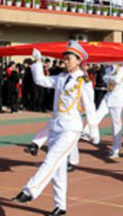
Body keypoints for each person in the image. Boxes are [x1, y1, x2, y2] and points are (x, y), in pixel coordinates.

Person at [12, 41, 98, 216]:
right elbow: (40, 80)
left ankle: (30, 190)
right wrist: (37, 62)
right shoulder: (60, 77)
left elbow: (90, 107)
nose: (65, 62)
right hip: (55, 126)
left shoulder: (84, 81)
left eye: (68, 59)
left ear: (78, 60)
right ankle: (61, 206)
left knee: (51, 159)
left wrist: (93, 131)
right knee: (58, 168)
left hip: (71, 127)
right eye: (64, 59)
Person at [81, 65, 123, 158]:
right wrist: (110, 77)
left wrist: (109, 77)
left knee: (116, 125)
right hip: (108, 96)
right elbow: (104, 79)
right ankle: (87, 131)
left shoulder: (122, 67)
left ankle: (116, 149)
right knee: (97, 114)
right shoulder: (108, 68)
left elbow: (117, 80)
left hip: (117, 99)